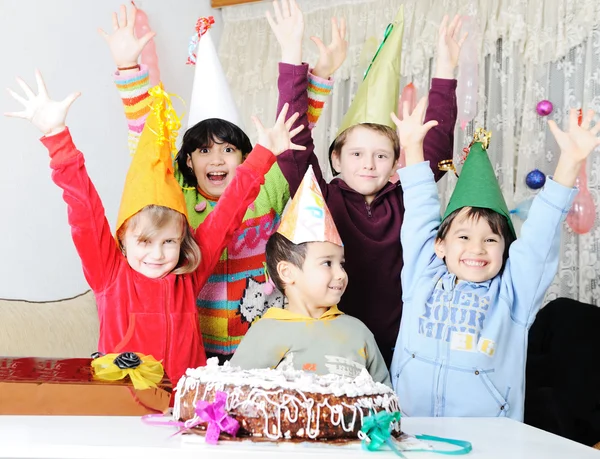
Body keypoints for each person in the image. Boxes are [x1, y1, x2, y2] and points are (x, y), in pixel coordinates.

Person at [4, 69, 304, 383]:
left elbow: (228, 212)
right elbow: (84, 209)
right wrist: (57, 137)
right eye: (145, 242)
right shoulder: (108, 274)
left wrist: (264, 154)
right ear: (124, 239)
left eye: (169, 242)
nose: (158, 254)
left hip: (184, 412)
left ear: (182, 241)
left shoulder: (187, 273)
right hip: (122, 412)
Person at [99, 3, 346, 362]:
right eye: (203, 150)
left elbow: (292, 135)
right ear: (187, 160)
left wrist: (314, 72)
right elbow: (146, 142)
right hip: (195, 349)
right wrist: (128, 70)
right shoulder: (175, 200)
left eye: (228, 148)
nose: (216, 159)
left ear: (246, 158)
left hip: (263, 348)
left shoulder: (267, 187)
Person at [270, 0, 463, 366]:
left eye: (381, 155)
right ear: (337, 159)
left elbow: (435, 144)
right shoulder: (321, 197)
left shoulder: (408, 198)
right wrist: (291, 52)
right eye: (356, 154)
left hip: (400, 347)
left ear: (396, 162)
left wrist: (446, 66)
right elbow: (294, 142)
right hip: (331, 345)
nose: (369, 165)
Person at [390, 97, 600, 420]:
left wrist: (569, 163)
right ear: (440, 245)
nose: (477, 249)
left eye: (490, 239)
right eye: (463, 237)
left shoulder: (514, 294)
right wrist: (413, 147)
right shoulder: (422, 275)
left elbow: (539, 237)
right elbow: (419, 211)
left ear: (506, 249)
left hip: (489, 442)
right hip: (408, 431)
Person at [230, 167, 390, 386]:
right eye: (327, 263)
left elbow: (384, 397)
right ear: (288, 272)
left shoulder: (358, 332)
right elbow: (236, 395)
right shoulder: (266, 332)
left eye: (341, 264)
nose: (340, 274)